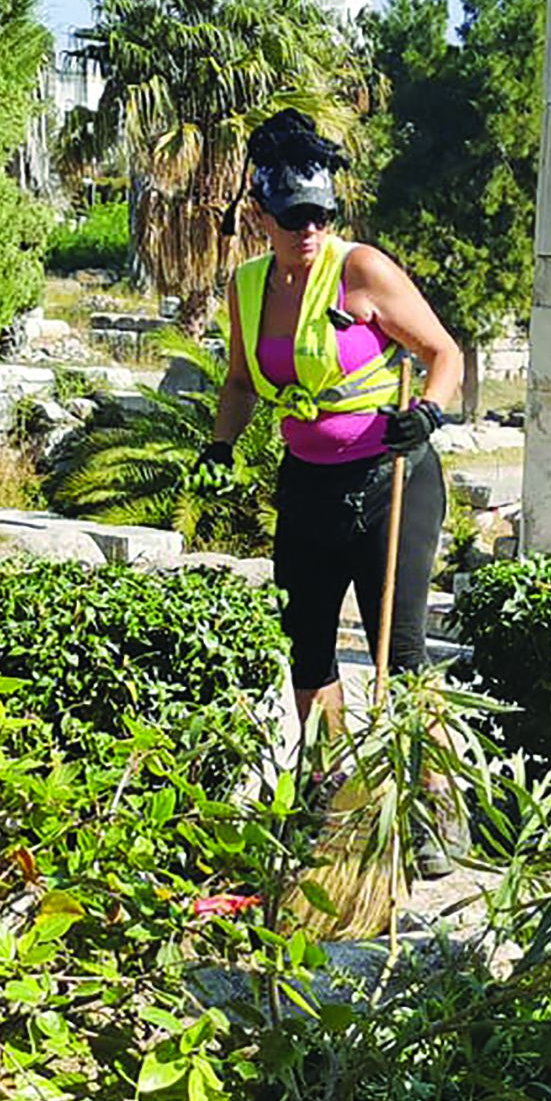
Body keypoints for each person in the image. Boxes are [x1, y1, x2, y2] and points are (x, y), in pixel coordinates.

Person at [206, 110, 464, 729]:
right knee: (306, 655)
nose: (311, 229)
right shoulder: (247, 286)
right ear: (261, 217)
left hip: (390, 484)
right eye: (294, 217)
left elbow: (444, 354)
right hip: (306, 490)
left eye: (322, 214)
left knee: (400, 661)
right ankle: (330, 797)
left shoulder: (361, 270)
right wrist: (219, 446)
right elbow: (241, 381)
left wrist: (427, 412)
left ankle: (430, 802)